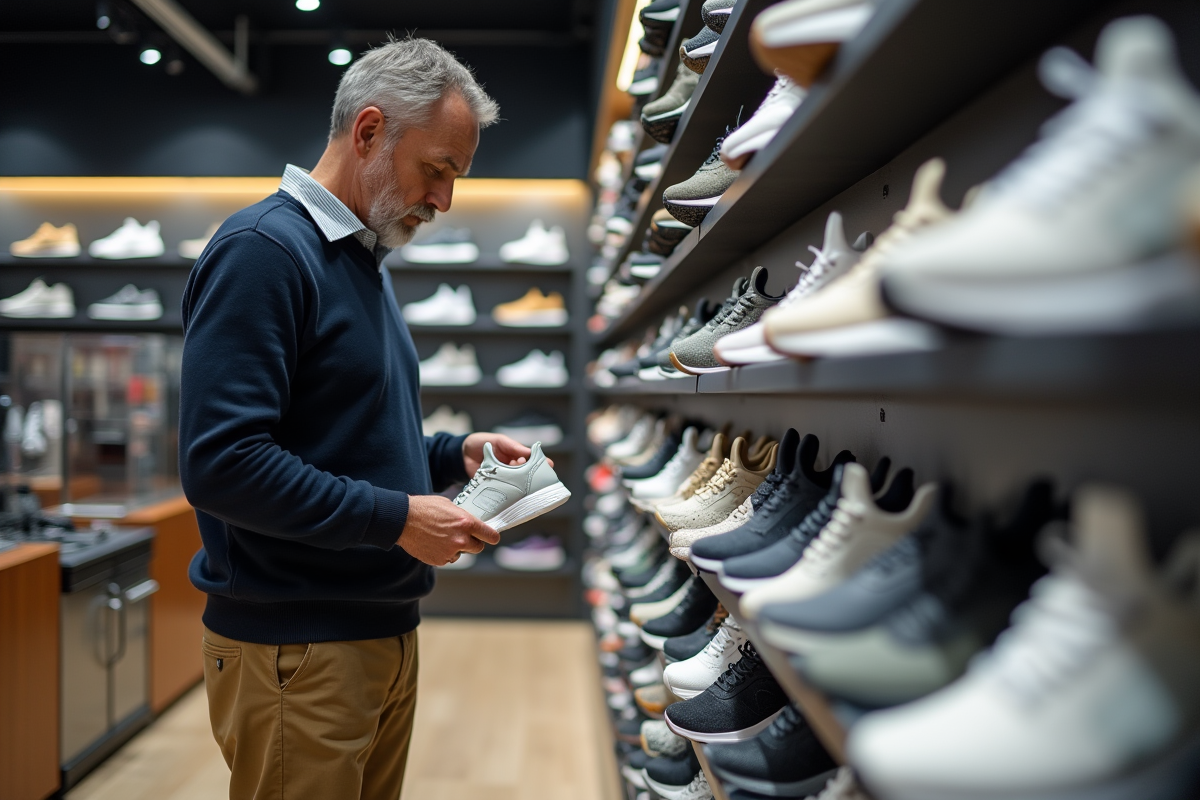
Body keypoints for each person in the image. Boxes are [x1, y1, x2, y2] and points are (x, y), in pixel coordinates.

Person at [178, 36, 529, 800]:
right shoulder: (264, 252)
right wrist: (397, 518)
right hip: (296, 649)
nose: (443, 199)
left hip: (375, 631)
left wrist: (447, 455)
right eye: (436, 169)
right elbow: (222, 463)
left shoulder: (356, 259)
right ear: (368, 131)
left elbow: (341, 431)